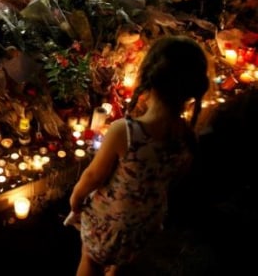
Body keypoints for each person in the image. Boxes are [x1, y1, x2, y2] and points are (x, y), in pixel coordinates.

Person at [68, 34, 210, 276]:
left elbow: (93, 176)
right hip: (146, 223)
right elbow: (173, 179)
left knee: (90, 260)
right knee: (123, 263)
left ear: (148, 78)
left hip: (109, 222)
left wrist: (76, 199)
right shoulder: (188, 137)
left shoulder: (126, 131)